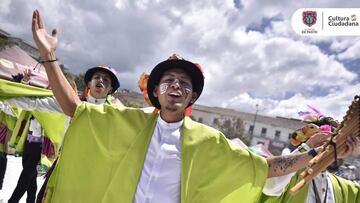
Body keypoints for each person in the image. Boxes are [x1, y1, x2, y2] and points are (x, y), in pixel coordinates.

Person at [31, 10, 359, 202]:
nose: (177, 85)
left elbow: (267, 168)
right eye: (169, 80)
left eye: (185, 84)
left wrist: (318, 152)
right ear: (155, 91)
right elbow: (75, 107)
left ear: (191, 99)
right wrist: (48, 57)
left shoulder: (209, 142)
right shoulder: (125, 120)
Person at [260, 115, 360, 203]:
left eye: (335, 141)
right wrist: (308, 148)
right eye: (321, 139)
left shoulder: (346, 188)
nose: (326, 145)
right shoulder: (290, 176)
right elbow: (270, 185)